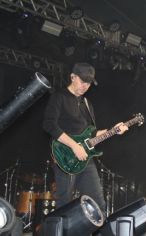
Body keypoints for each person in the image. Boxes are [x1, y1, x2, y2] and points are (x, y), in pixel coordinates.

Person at [43, 62, 128, 213]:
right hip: (65, 157)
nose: (85, 86)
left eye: (88, 83)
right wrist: (74, 147)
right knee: (65, 203)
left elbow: (93, 133)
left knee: (98, 204)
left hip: (86, 159)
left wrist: (114, 130)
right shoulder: (59, 97)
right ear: (72, 77)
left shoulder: (87, 104)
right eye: (82, 81)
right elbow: (49, 125)